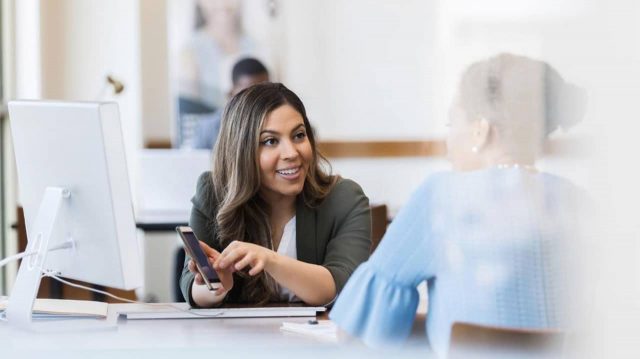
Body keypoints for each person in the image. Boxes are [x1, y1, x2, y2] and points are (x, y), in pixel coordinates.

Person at [329, 53, 588, 357]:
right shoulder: (580, 203)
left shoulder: (442, 194)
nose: (448, 143)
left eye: (452, 123)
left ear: (481, 130)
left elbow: (357, 331)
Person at [180, 82, 372, 307]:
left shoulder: (344, 198)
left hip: (317, 340)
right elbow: (190, 286)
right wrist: (215, 286)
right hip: (239, 339)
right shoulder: (213, 193)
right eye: (270, 141)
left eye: (299, 136)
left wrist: (269, 259)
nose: (291, 153)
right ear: (240, 150)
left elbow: (342, 286)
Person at [193, 57, 270, 149]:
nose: (258, 99)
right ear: (231, 93)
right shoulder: (208, 128)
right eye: (249, 93)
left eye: (264, 92)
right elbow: (196, 162)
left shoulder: (275, 122)